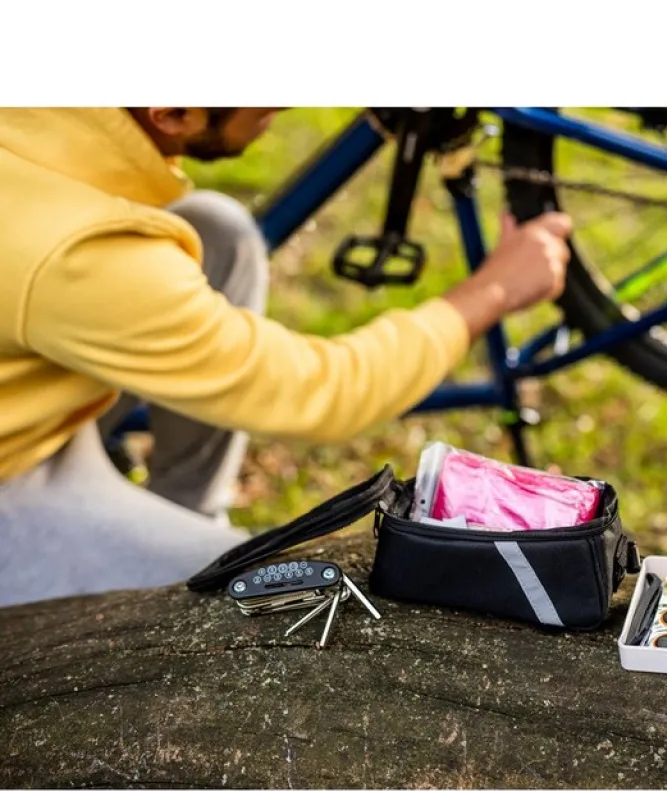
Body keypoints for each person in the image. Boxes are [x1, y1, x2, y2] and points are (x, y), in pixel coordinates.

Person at [0, 107, 572, 608]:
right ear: (172, 114)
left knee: (216, 231)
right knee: (265, 596)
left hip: (31, 408)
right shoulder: (76, 250)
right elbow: (323, 392)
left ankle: (185, 510)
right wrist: (491, 291)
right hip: (16, 482)